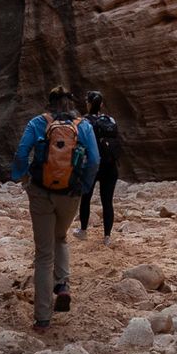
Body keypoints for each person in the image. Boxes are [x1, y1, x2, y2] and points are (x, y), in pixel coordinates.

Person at [8, 85, 100, 332]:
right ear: (71, 102)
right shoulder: (84, 126)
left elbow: (21, 152)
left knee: (43, 254)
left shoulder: (37, 123)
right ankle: (63, 285)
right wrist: (84, 186)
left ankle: (42, 318)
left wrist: (22, 176)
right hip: (70, 195)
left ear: (49, 103)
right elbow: (94, 159)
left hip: (41, 192)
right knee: (61, 237)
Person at [76, 90, 122, 244]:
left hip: (92, 165)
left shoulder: (83, 122)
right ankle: (107, 236)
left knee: (86, 198)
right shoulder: (111, 120)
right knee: (107, 201)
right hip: (111, 166)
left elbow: (80, 144)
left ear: (88, 103)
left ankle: (83, 230)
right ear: (101, 104)